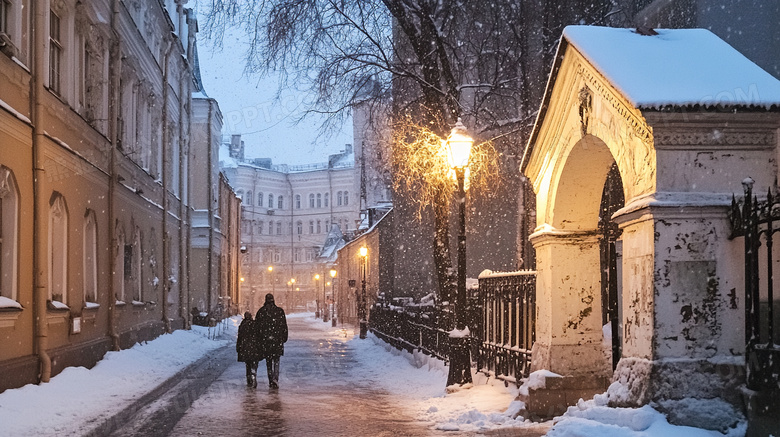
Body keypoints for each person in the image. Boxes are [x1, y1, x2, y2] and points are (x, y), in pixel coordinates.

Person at [255, 293, 288, 389]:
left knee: (268, 361)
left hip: (266, 341)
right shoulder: (279, 311)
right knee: (276, 360)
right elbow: (284, 326)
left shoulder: (261, 312)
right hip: (277, 340)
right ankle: (275, 378)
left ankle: (270, 379)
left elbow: (257, 327)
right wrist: (283, 337)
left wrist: (259, 339)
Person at [236, 311, 262, 388]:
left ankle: (249, 379)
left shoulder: (242, 325)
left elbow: (239, 338)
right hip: (254, 347)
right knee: (254, 361)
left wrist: (239, 348)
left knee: (248, 364)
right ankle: (254, 372)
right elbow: (259, 336)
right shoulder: (255, 324)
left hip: (245, 347)